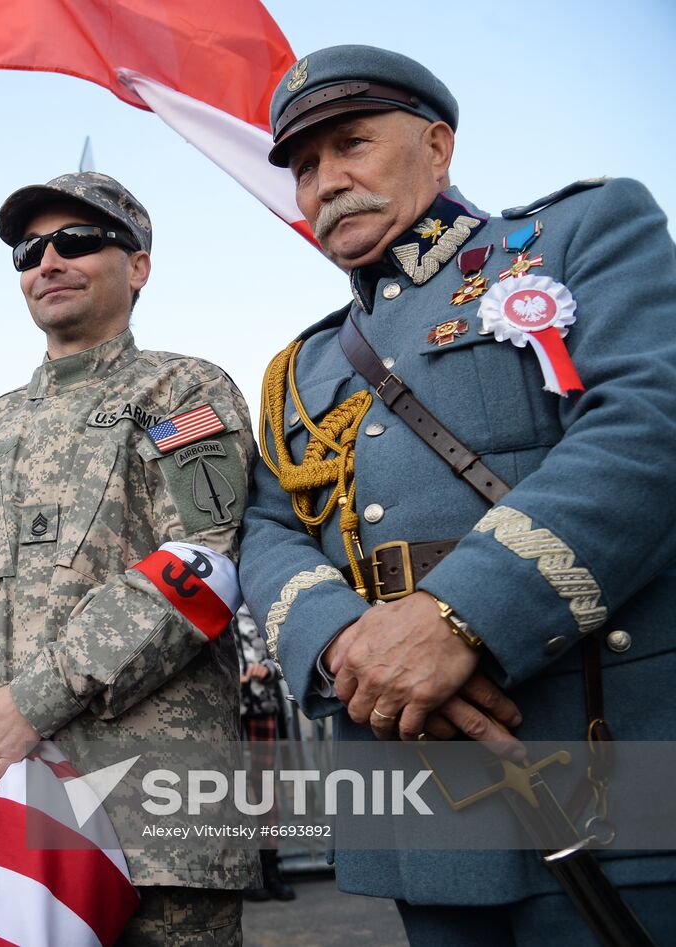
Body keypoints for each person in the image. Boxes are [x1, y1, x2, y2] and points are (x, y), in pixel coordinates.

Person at [239, 44, 676, 944]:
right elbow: (266, 527)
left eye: (351, 145)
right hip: (421, 795)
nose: (324, 182)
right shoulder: (305, 366)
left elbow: (651, 420)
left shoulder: (580, 234)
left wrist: (460, 615)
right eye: (306, 166)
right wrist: (346, 644)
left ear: (438, 148)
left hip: (601, 755)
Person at [0, 172, 259, 945]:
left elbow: (200, 563)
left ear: (139, 265)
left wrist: (36, 699)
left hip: (153, 815)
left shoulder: (184, 388)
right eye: (30, 250)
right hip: (17, 810)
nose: (48, 260)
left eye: (78, 241)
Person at [232, 605, 293, 903]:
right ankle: (247, 869)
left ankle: (271, 867)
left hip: (262, 707)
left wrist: (266, 669)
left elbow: (280, 654)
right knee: (232, 792)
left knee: (264, 792)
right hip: (226, 712)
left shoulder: (252, 608)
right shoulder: (208, 606)